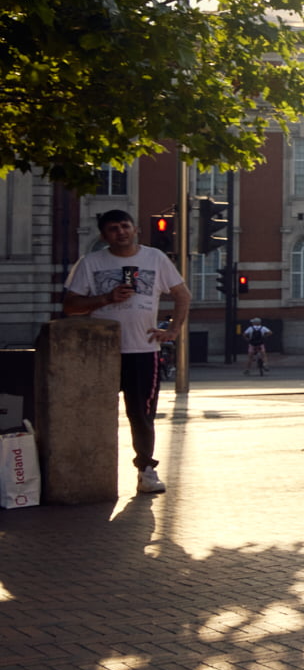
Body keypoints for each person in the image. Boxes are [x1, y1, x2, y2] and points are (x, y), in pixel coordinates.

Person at [61, 209, 189, 495]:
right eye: (113, 229)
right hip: (101, 353)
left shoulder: (155, 258)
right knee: (95, 412)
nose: (121, 232)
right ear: (104, 235)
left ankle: (146, 470)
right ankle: (89, 470)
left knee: (141, 414)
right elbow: (70, 306)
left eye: (125, 226)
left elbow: (182, 295)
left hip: (143, 349)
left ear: (135, 230)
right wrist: (106, 298)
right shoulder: (91, 263)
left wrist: (173, 330)